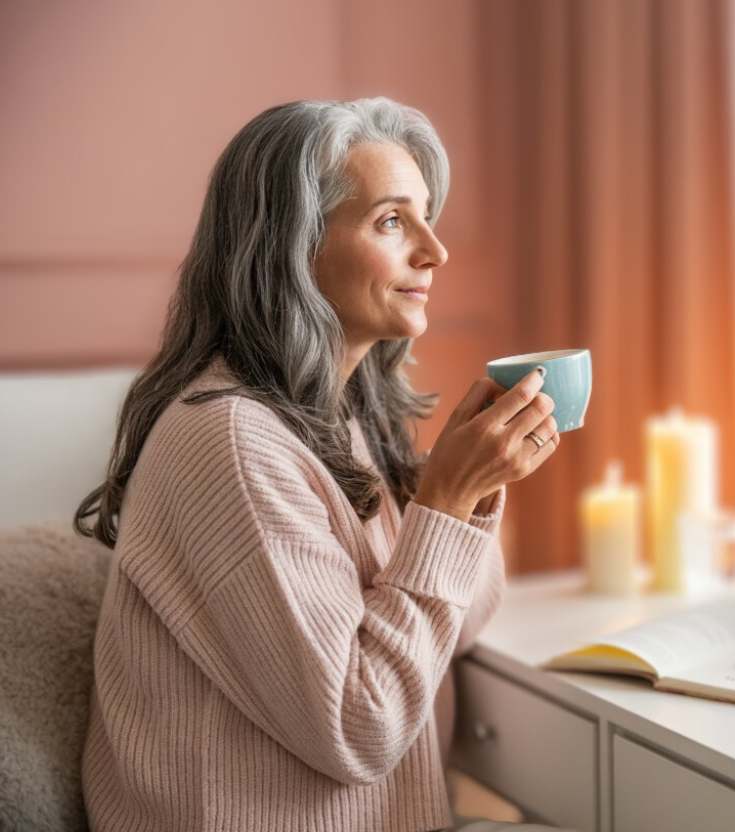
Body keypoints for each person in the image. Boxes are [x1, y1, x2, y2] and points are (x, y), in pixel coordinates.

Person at [74, 98, 571, 832]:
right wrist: (443, 504)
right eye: (393, 221)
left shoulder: (342, 419)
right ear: (292, 247)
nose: (434, 250)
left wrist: (466, 491)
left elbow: (455, 627)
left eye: (425, 217)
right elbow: (359, 724)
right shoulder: (233, 444)